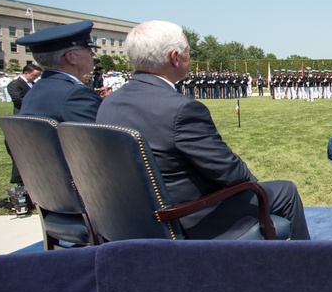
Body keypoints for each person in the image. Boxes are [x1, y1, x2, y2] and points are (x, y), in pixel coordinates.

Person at [96, 20, 310, 240]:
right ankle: (309, 266)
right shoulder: (180, 109)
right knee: (285, 191)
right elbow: (231, 172)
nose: (190, 58)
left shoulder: (109, 103)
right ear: (175, 57)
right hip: (186, 217)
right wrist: (252, 184)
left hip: (129, 218)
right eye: (189, 52)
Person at [18, 21, 103, 123]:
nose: (93, 54)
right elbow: (101, 136)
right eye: (89, 50)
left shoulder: (35, 90)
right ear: (72, 57)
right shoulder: (76, 94)